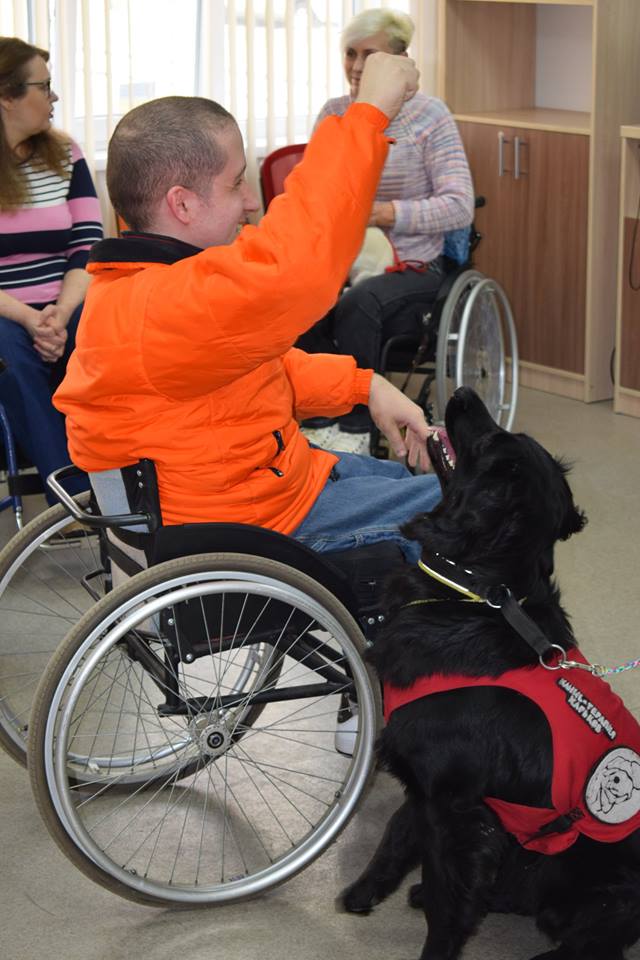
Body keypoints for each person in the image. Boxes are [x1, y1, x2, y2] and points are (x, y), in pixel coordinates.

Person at [54, 52, 442, 567]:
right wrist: (368, 112)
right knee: (485, 505)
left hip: (263, 487)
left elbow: (257, 371)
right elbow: (298, 267)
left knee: (441, 482)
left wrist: (364, 387)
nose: (251, 202)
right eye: (237, 182)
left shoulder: (143, 288)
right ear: (182, 204)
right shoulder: (164, 305)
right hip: (253, 527)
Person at [298, 8, 474, 452]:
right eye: (350, 53)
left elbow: (459, 206)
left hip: (416, 265)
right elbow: (315, 190)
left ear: (399, 61)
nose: (357, 67)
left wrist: (382, 214)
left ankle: (355, 429)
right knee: (296, 296)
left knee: (360, 303)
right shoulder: (334, 113)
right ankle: (318, 419)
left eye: (370, 56)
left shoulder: (430, 116)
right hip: (345, 258)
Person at [0, 37, 103, 502]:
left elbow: (87, 244)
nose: (54, 97)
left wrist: (60, 313)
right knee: (13, 356)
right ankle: (73, 502)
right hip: (7, 312)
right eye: (43, 87)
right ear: (7, 97)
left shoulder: (65, 154)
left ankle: (127, 485)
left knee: (103, 336)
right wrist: (30, 318)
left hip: (65, 300)